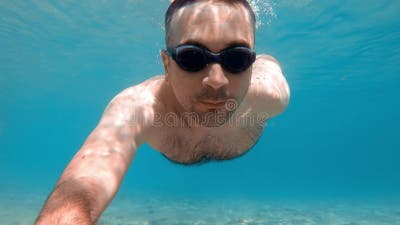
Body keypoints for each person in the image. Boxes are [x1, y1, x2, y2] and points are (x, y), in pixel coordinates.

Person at [35, 0, 290, 224]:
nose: (216, 80)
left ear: (251, 65)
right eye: (192, 57)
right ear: (166, 65)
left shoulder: (271, 94)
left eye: (238, 59)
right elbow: (83, 181)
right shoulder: (137, 107)